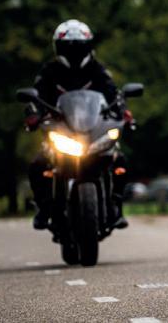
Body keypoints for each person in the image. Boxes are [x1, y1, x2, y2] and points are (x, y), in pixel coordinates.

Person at [25, 19, 130, 230]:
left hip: (94, 130)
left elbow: (113, 94)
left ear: (88, 46)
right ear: (58, 48)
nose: (74, 52)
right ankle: (44, 208)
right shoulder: (50, 71)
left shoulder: (97, 70)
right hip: (62, 129)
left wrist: (123, 112)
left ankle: (116, 206)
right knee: (38, 165)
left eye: (79, 47)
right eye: (68, 47)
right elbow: (36, 98)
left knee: (119, 160)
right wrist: (33, 114)